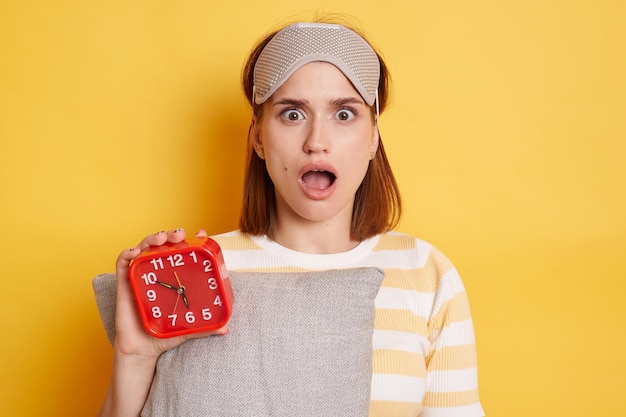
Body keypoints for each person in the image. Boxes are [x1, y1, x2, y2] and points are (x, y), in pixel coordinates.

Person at [97, 20, 484, 417]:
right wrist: (133, 355)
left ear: (373, 138)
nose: (317, 141)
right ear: (259, 138)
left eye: (345, 114)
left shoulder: (426, 274)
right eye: (293, 114)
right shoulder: (193, 274)